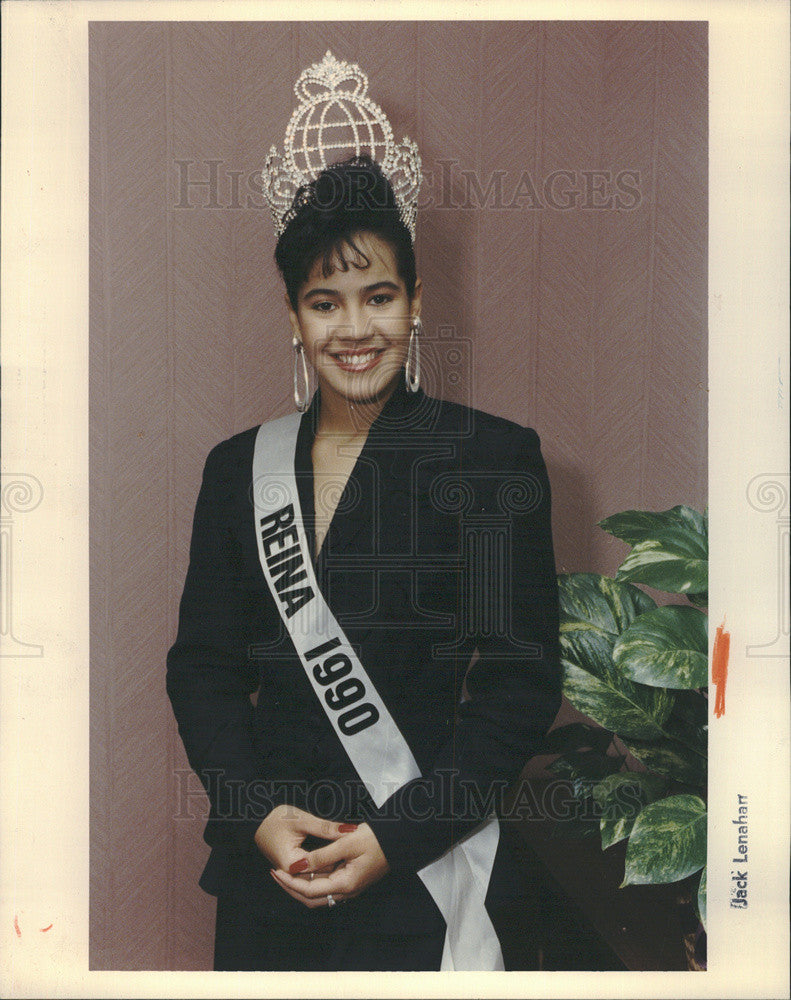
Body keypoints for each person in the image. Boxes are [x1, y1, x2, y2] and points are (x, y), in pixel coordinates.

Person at [166, 50, 562, 972]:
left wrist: (394, 837)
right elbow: (203, 668)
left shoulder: (492, 459)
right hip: (269, 875)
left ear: (416, 304)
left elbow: (516, 689)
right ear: (294, 319)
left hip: (422, 869)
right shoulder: (239, 469)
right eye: (324, 302)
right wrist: (254, 813)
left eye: (378, 297)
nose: (353, 330)